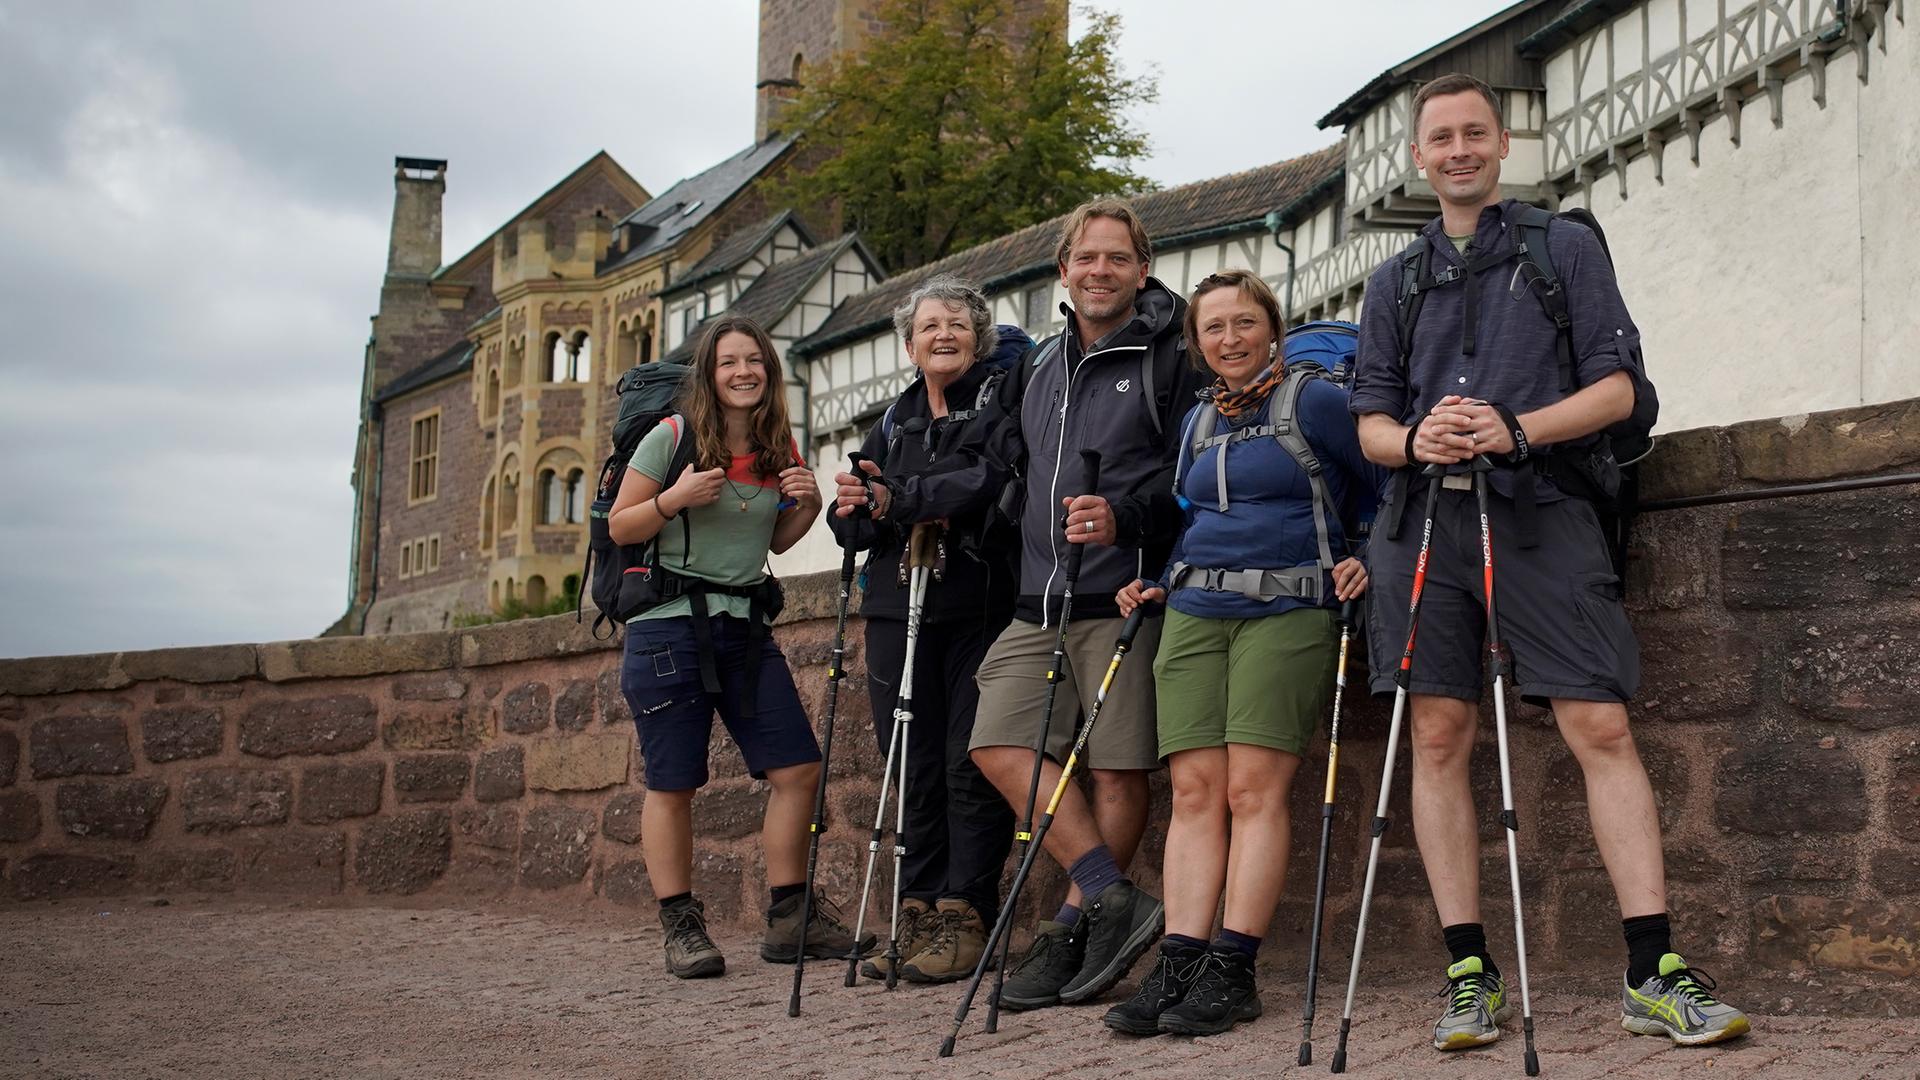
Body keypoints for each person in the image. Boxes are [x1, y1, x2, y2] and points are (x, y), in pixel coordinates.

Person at [1348, 73, 1749, 1049]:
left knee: (1598, 723)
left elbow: (1618, 391)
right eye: (1439, 137)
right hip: (1423, 524)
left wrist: (1513, 427)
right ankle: (1469, 975)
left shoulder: (1562, 246)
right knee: (1437, 739)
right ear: (1417, 155)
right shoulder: (1390, 283)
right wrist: (1421, 440)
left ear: (1502, 143)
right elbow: (1368, 428)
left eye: (1473, 133)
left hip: (1544, 510)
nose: (1457, 150)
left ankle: (1652, 968)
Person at [1100, 270, 1381, 1037]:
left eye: (1244, 322)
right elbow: (1195, 521)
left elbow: (1388, 480)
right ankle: (1182, 959)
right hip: (1193, 610)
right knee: (1193, 791)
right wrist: (1157, 583)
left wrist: (1369, 558)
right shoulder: (1198, 422)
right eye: (1214, 327)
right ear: (1196, 343)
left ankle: (1234, 967)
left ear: (1273, 329)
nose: (1230, 338)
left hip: (1289, 608)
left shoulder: (1315, 400)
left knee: (1253, 790)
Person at [967, 198, 1209, 1011]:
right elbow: (999, 466)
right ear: (1061, 271)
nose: (1099, 270)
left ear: (1143, 268)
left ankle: (1071, 930)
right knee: (996, 742)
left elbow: (1201, 476)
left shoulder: (1171, 356)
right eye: (1085, 258)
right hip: (1038, 598)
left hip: (1125, 592)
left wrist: (1130, 524)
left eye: (1117, 258)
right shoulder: (1036, 364)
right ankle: (1112, 896)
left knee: (1115, 766)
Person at [608, 315, 873, 979]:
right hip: (668, 628)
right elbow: (620, 526)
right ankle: (681, 928)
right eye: (729, 363)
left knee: (797, 769)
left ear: (769, 371)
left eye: (753, 361)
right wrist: (674, 497)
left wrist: (807, 505)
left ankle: (791, 921)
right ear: (709, 373)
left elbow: (778, 542)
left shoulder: (777, 444)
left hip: (744, 626)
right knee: (673, 782)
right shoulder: (671, 437)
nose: (742, 372)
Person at [825, 276, 1024, 984]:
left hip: (975, 606)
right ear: (908, 344)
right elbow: (853, 520)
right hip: (897, 607)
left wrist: (900, 497)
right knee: (910, 763)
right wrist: (855, 505)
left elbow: (989, 478)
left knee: (969, 761)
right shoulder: (891, 420)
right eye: (929, 326)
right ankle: (915, 911)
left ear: (980, 339)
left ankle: (964, 911)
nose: (944, 335)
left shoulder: (1000, 403)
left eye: (958, 326)